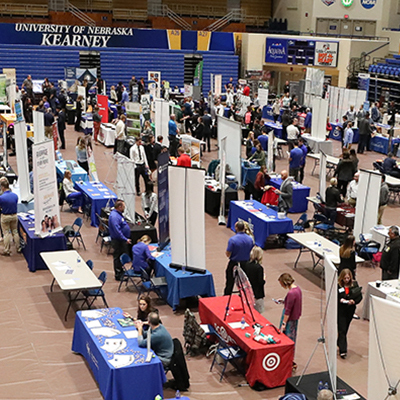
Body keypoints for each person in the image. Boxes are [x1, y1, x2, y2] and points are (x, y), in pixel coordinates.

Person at [277, 273, 302, 369]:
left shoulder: (291, 293)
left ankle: (287, 361)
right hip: (295, 318)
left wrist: (283, 323)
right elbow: (293, 303)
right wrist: (284, 301)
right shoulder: (298, 289)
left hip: (289, 319)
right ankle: (289, 359)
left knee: (287, 340)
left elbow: (288, 310)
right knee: (292, 339)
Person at [337, 269, 362, 359]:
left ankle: (339, 342)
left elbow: (359, 297)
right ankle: (343, 350)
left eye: (348, 278)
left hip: (350, 310)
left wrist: (354, 301)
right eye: (345, 278)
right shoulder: (338, 286)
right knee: (342, 329)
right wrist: (340, 300)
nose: (347, 280)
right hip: (341, 310)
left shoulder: (354, 285)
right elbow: (335, 297)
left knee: (345, 328)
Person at [224, 221, 254, 296]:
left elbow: (228, 253)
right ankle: (244, 295)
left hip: (234, 263)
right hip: (245, 263)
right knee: (244, 281)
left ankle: (227, 295)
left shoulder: (232, 240)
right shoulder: (250, 239)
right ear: (244, 228)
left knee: (230, 281)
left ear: (236, 228)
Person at [109, 199, 132, 281]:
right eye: (123, 207)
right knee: (118, 257)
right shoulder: (114, 216)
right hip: (118, 241)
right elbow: (117, 230)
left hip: (120, 240)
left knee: (120, 256)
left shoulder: (118, 214)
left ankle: (121, 271)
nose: (124, 208)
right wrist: (125, 239)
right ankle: (118, 275)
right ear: (119, 207)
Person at [241, 246, 265, 313]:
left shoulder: (246, 265)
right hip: (257, 294)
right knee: (258, 313)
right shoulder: (259, 268)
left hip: (248, 292)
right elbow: (260, 282)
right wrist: (264, 279)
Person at [0, 179, 20, 256]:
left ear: (3, 187)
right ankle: (18, 247)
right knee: (15, 231)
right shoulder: (15, 196)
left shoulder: (1, 198)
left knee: (6, 233)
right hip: (14, 216)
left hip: (5, 216)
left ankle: (6, 250)